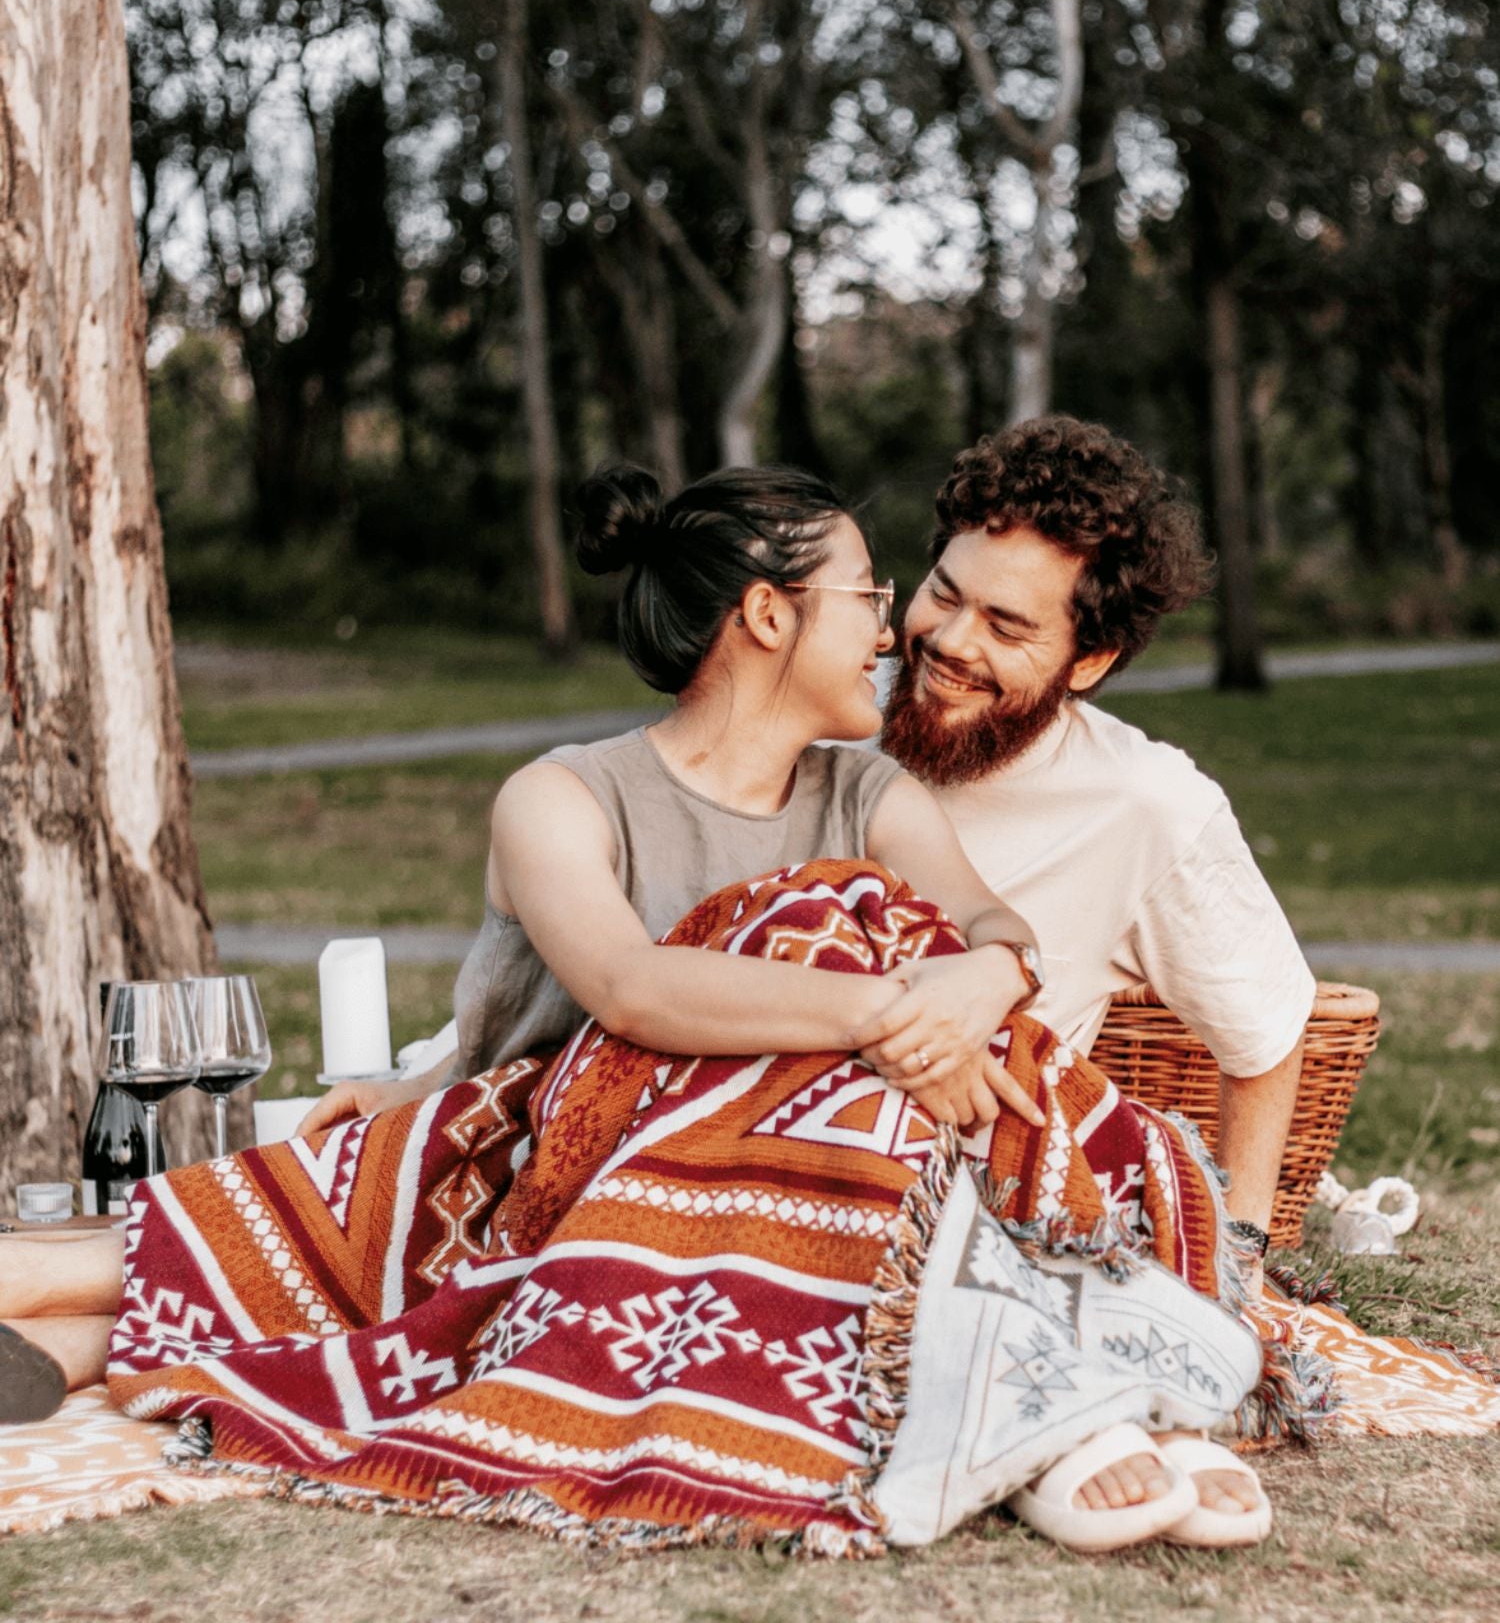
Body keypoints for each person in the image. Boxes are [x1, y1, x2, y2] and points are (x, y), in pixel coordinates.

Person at [0, 462, 1267, 1547]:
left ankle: (54, 1358)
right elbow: (633, 988)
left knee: (858, 932)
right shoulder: (562, 796)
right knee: (149, 1254)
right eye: (873, 597)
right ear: (768, 616)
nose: (893, 631)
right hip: (514, 1167)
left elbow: (990, 929)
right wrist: (890, 1011)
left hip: (719, 1198)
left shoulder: (872, 793)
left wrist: (983, 979)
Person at [881, 415, 1317, 1263]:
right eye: (944, 591)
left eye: (1007, 629)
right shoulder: (831, 706)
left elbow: (1266, 1028)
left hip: (941, 1199)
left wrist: (1240, 1248)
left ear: (1089, 662)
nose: (948, 642)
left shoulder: (1147, 803)